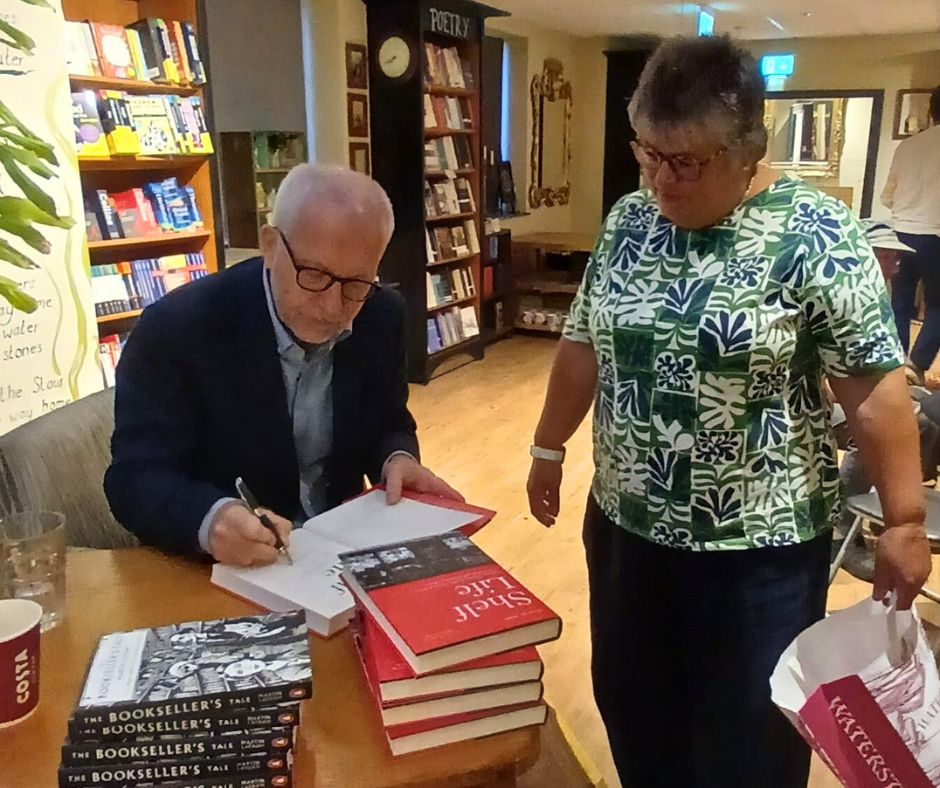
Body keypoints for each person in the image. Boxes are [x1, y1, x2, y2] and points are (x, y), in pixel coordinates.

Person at [526, 36, 931, 788]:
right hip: (627, 531)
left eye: (688, 162)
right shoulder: (628, 221)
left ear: (751, 148)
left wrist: (904, 521)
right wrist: (548, 448)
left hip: (759, 556)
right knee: (633, 704)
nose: (662, 180)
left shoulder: (815, 234)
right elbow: (584, 339)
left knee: (750, 739)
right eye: (648, 153)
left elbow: (874, 387)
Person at [105, 164, 461, 566]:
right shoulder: (176, 329)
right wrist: (209, 519)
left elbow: (387, 421)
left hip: (339, 553)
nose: (332, 308)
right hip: (220, 569)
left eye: (356, 284)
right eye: (314, 275)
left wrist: (397, 459)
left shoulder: (381, 315)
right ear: (270, 246)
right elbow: (134, 479)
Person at [882, 85, 940, 384]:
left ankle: (893, 363)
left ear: (931, 111)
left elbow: (887, 197)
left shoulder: (908, 146)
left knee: (900, 303)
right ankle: (915, 366)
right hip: (936, 235)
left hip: (901, 233)